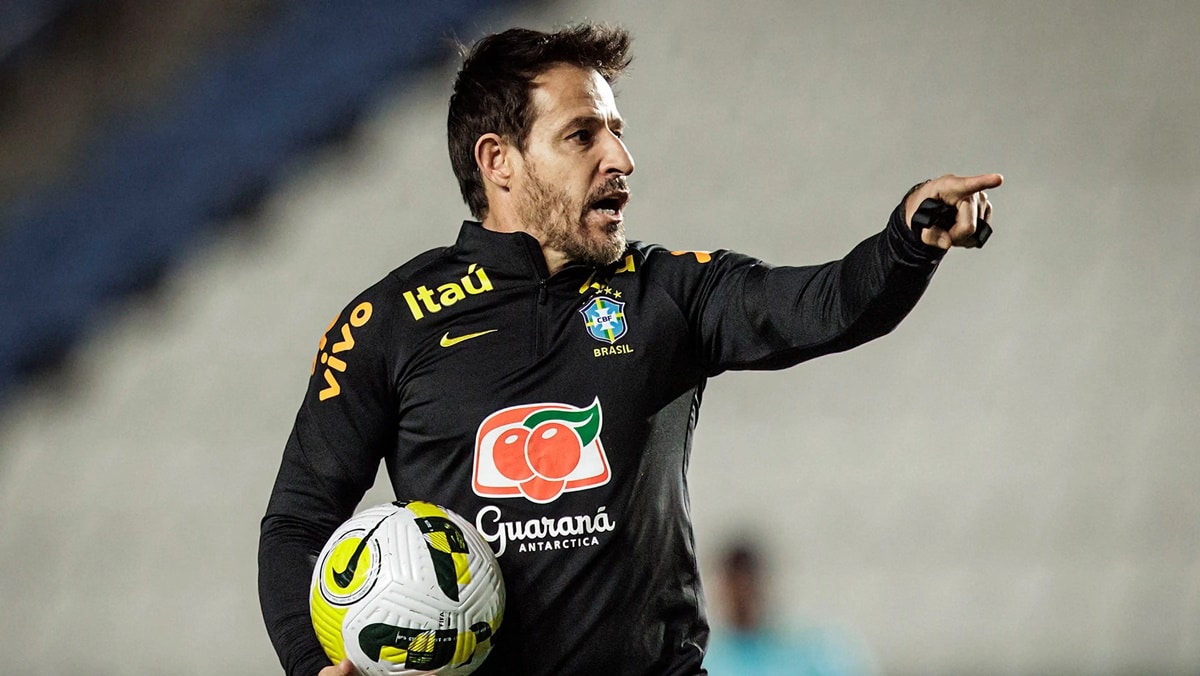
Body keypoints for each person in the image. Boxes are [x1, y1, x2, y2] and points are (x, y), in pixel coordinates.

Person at [258, 23, 1001, 676]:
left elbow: (827, 304)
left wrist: (909, 241)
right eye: (583, 134)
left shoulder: (668, 293)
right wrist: (314, 669)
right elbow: (298, 521)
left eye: (617, 129)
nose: (622, 157)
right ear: (499, 160)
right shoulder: (389, 320)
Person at [704, 541, 874, 675]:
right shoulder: (707, 659)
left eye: (748, 581)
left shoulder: (814, 653)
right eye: (735, 583)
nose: (743, 591)